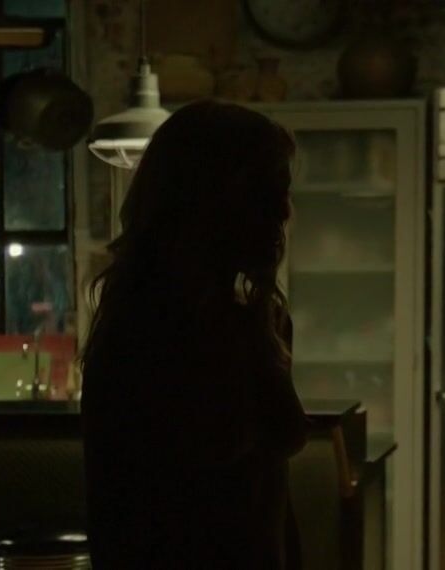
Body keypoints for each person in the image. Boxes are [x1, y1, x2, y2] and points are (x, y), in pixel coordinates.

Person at [81, 100, 308, 568]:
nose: (284, 211)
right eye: (269, 191)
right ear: (217, 202)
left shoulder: (145, 316)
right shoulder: (165, 334)